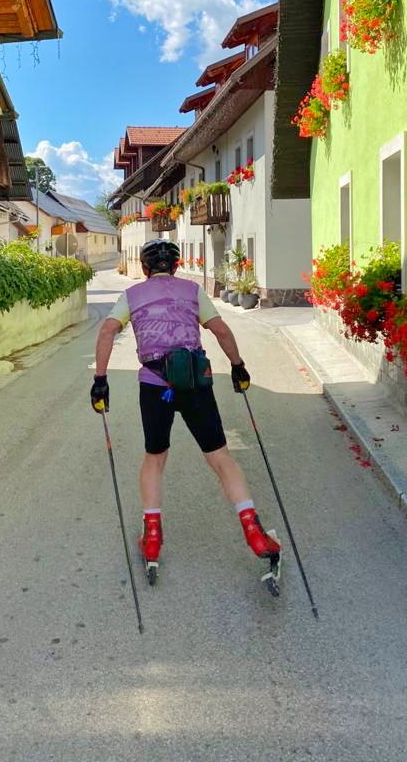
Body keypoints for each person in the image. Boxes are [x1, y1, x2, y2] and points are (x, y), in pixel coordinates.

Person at [91, 238, 280, 579]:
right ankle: (254, 532)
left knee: (155, 458)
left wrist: (100, 379)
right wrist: (238, 366)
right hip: (195, 384)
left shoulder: (131, 295)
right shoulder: (193, 291)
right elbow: (219, 329)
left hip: (154, 387)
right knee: (220, 458)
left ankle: (151, 539)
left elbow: (107, 331)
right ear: (176, 267)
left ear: (145, 269)